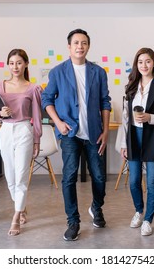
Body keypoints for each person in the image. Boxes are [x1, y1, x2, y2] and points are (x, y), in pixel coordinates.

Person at [41, 28, 111, 241]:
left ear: (88, 46)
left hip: (94, 133)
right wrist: (58, 122)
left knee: (99, 176)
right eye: (76, 43)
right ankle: (73, 221)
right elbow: (46, 99)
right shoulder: (57, 72)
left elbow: (104, 102)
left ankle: (96, 208)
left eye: (84, 43)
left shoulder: (98, 72)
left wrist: (106, 131)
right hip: (69, 133)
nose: (80, 46)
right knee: (69, 177)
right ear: (69, 47)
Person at [0, 48, 42, 236]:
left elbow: (37, 115)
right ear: (7, 65)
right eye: (11, 63)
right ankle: (21, 206)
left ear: (26, 64)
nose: (15, 66)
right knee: (10, 177)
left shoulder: (33, 88)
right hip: (6, 130)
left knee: (21, 176)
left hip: (24, 129)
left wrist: (37, 140)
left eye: (19, 62)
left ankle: (16, 215)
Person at [120, 47, 154, 236]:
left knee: (151, 182)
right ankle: (138, 211)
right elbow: (126, 118)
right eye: (140, 62)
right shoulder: (130, 87)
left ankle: (148, 219)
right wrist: (124, 143)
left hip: (153, 137)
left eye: (148, 61)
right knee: (134, 180)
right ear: (136, 65)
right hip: (133, 136)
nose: (144, 65)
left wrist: (150, 117)